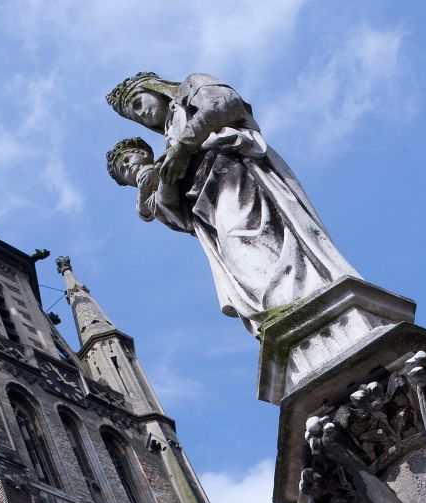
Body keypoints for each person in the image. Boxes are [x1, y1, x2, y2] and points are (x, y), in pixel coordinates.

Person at [106, 71, 360, 333]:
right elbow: (178, 217)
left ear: (154, 90)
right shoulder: (169, 137)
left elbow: (225, 104)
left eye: (138, 103)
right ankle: (285, 313)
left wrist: (183, 148)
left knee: (249, 240)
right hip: (209, 204)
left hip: (235, 173)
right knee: (239, 253)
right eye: (135, 116)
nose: (141, 114)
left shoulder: (190, 89)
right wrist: (164, 180)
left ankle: (302, 308)